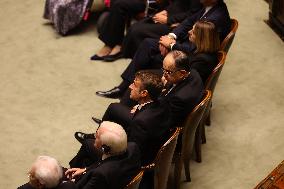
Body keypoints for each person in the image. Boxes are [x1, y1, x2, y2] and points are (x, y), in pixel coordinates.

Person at [95, 0, 229, 98]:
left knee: (145, 45)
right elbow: (188, 22)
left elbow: (197, 48)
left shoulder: (215, 18)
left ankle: (130, 92)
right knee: (148, 44)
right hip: (185, 46)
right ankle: (124, 87)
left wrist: (171, 45)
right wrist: (170, 36)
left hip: (190, 60)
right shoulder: (209, 7)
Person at [72, 71, 171, 166]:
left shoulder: (140, 122)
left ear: (144, 93)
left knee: (88, 145)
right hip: (150, 141)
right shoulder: (160, 100)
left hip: (135, 161)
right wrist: (139, 108)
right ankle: (98, 136)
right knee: (114, 108)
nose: (130, 86)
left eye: (134, 85)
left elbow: (132, 153)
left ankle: (71, 174)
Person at [67, 121, 141, 189]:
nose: (94, 136)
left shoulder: (100, 174)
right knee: (87, 143)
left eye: (97, 136)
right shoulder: (133, 147)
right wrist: (85, 170)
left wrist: (69, 183)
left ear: (104, 148)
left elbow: (101, 169)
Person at [122, 0, 202, 59]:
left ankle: (138, 61)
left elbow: (191, 15)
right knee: (135, 26)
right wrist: (166, 11)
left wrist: (169, 19)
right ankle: (131, 56)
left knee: (137, 31)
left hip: (175, 24)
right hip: (169, 16)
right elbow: (176, 4)